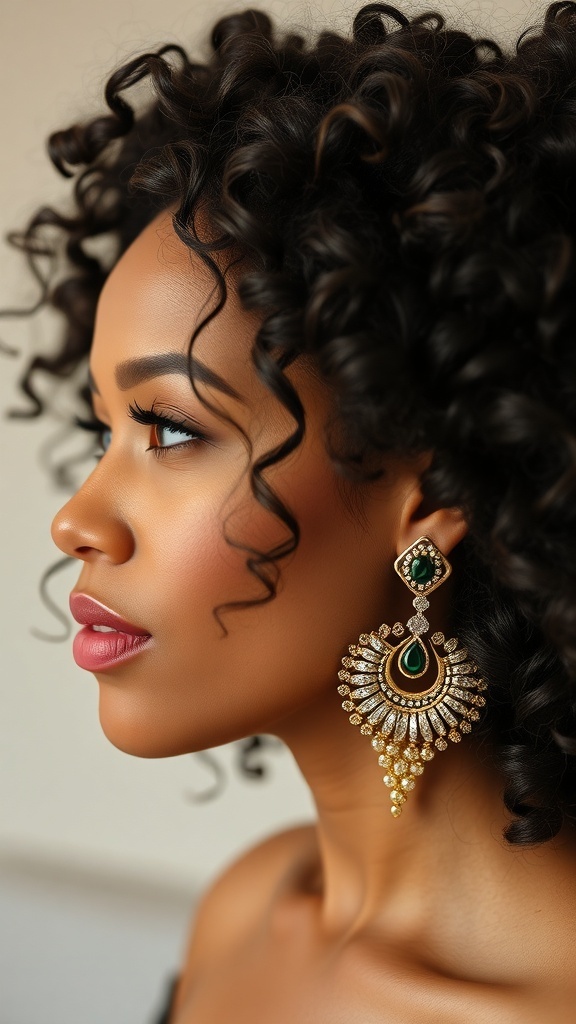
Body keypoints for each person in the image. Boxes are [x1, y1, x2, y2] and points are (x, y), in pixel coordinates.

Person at [7, 2, 576, 1020]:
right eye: (105, 431)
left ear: (432, 502)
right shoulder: (244, 910)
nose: (78, 521)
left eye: (172, 429)